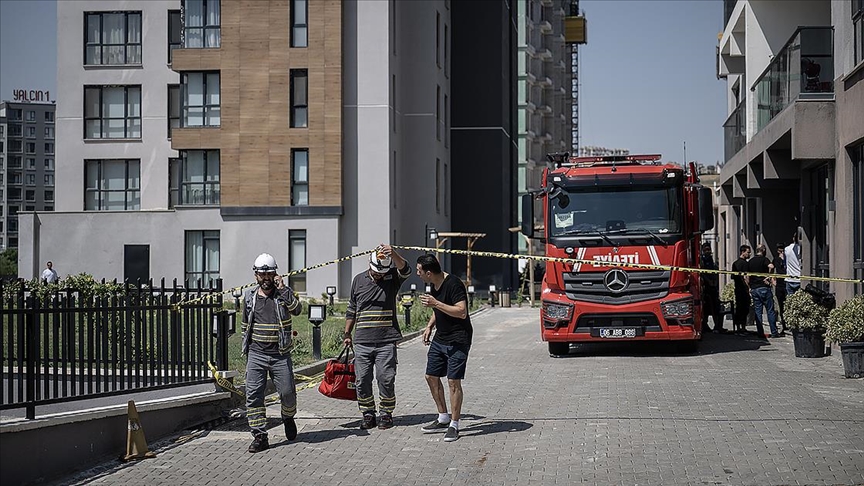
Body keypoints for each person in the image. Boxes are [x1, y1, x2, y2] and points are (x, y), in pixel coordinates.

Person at [343, 244, 410, 430]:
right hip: (362, 341)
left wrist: (393, 253)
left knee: (385, 378)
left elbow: (406, 269)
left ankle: (386, 414)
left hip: (386, 340)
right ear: (369, 264)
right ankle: (367, 413)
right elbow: (351, 308)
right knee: (362, 379)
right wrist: (347, 333)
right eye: (376, 271)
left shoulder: (391, 278)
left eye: (382, 272)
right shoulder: (358, 280)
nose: (379, 275)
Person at [241, 253, 303, 453]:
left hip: (280, 354)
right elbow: (245, 324)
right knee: (253, 396)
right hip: (256, 354)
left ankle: (288, 417)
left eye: (269, 274)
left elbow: (298, 310)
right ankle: (260, 435)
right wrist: (247, 348)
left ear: (276, 274)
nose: (266, 278)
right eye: (262, 274)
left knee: (287, 393)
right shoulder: (250, 297)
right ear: (256, 276)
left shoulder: (282, 294)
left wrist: (284, 289)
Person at [416, 254, 473, 443]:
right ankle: (443, 417)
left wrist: (435, 303)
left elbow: (461, 311)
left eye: (419, 271)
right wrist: (430, 325)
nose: (418, 274)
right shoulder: (434, 283)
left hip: (458, 339)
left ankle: (454, 425)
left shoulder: (454, 284)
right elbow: (438, 309)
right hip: (441, 337)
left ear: (429, 273)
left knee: (453, 382)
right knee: (430, 376)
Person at [748, 244, 780, 338]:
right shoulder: (764, 259)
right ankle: (774, 332)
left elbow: (747, 276)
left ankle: (760, 332)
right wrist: (768, 276)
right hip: (764, 288)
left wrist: (749, 286)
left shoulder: (751, 261)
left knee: (758, 312)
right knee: (770, 311)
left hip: (754, 288)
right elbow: (772, 266)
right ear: (764, 250)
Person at [699, 243, 724, 333]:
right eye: (705, 250)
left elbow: (715, 271)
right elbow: (702, 272)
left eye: (708, 249)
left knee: (716, 306)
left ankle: (717, 326)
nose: (708, 251)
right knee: (707, 308)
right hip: (706, 287)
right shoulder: (702, 260)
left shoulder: (712, 260)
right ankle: (705, 325)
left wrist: (715, 281)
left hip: (713, 286)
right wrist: (708, 281)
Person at [731, 245, 751, 335]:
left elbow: (733, 277)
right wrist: (748, 288)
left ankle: (738, 327)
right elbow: (746, 277)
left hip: (737, 289)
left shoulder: (735, 263)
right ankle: (742, 327)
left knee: (739, 307)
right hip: (743, 289)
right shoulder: (745, 264)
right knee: (745, 308)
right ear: (742, 252)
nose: (749, 254)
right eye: (748, 252)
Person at [773, 243, 788, 331]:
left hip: (787, 283)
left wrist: (784, 259)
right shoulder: (775, 259)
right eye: (779, 249)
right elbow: (771, 268)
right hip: (779, 284)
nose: (780, 251)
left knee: (787, 304)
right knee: (781, 305)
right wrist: (772, 279)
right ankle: (784, 323)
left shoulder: (787, 258)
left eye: (782, 249)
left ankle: (788, 323)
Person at [784, 231, 802, 296]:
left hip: (790, 278)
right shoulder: (801, 249)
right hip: (799, 278)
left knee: (790, 301)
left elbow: (785, 264)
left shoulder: (787, 249)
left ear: (793, 238)